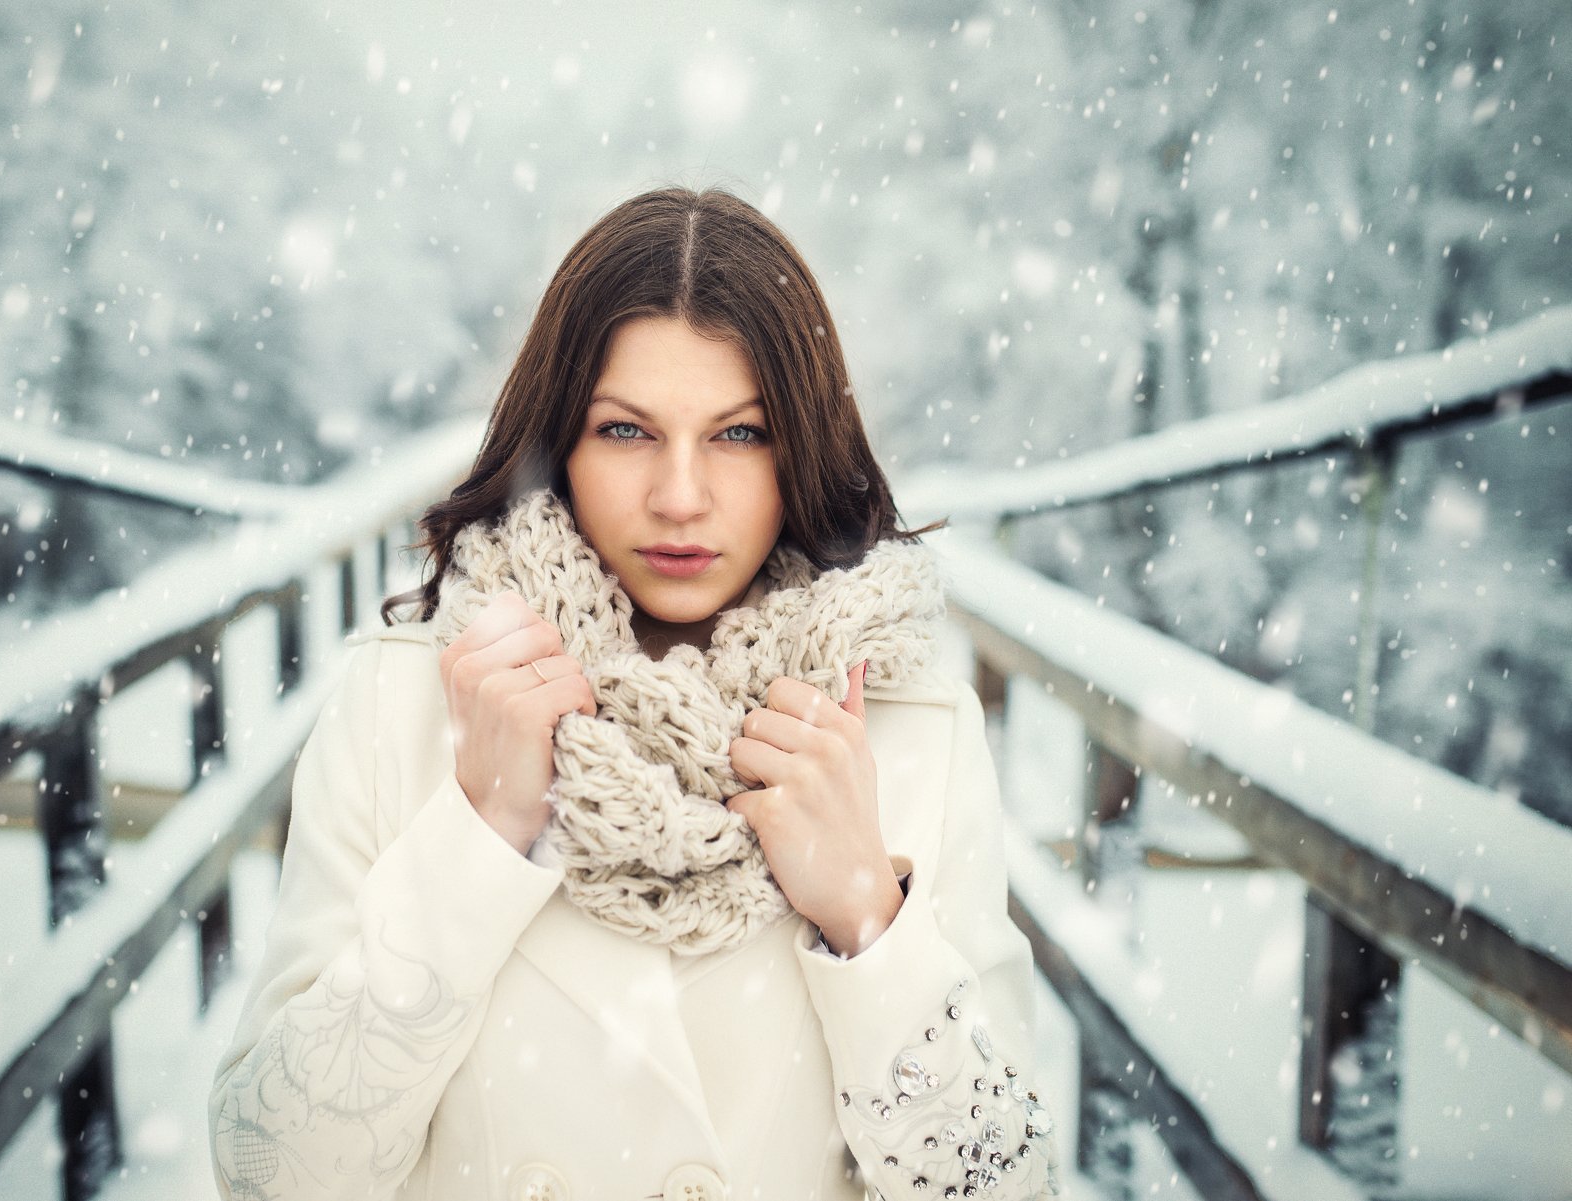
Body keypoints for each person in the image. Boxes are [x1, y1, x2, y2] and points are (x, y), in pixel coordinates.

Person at [208, 185, 1061, 1201]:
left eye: (739, 435)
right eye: (626, 430)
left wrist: (870, 924)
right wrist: (475, 845)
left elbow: (1006, 1188)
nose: (681, 495)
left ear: (802, 451)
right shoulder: (407, 706)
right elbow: (276, 1176)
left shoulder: (908, 737)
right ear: (555, 440)